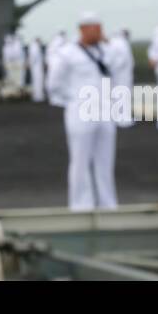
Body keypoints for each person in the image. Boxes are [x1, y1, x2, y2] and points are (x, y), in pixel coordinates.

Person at [47, 13, 118, 210]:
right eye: (96, 28)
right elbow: (54, 83)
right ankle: (81, 205)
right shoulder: (67, 53)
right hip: (80, 112)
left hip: (104, 111)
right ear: (83, 29)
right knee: (80, 161)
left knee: (105, 161)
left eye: (100, 27)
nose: (100, 32)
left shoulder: (105, 51)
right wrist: (73, 101)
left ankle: (107, 203)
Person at [104, 28, 135, 129]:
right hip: (122, 75)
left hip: (117, 75)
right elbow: (123, 59)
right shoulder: (121, 43)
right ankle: (124, 120)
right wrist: (116, 70)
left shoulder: (112, 43)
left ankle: (117, 117)